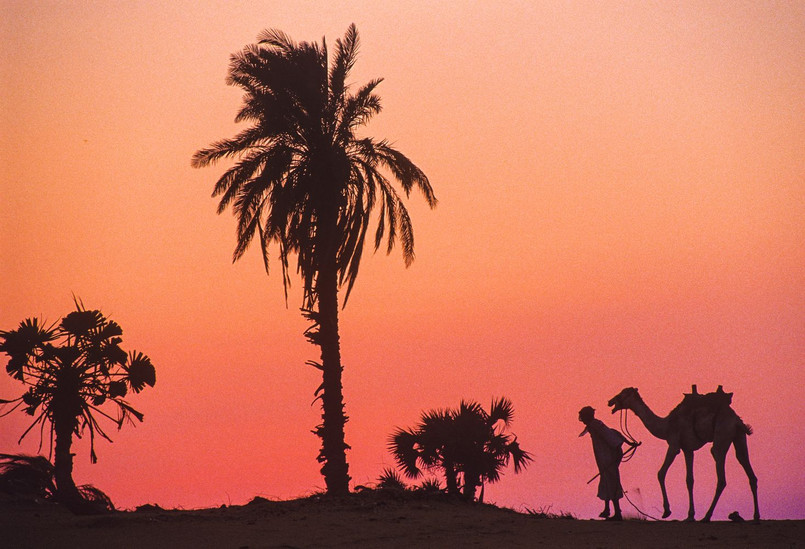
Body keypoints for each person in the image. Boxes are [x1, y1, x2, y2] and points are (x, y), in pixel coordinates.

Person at [578, 405, 627, 520]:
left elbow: (609, 435)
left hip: (607, 457)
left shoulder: (596, 425)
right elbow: (612, 432)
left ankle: (617, 513)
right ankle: (607, 509)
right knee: (606, 481)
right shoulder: (593, 425)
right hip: (603, 458)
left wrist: (622, 443)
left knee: (612, 482)